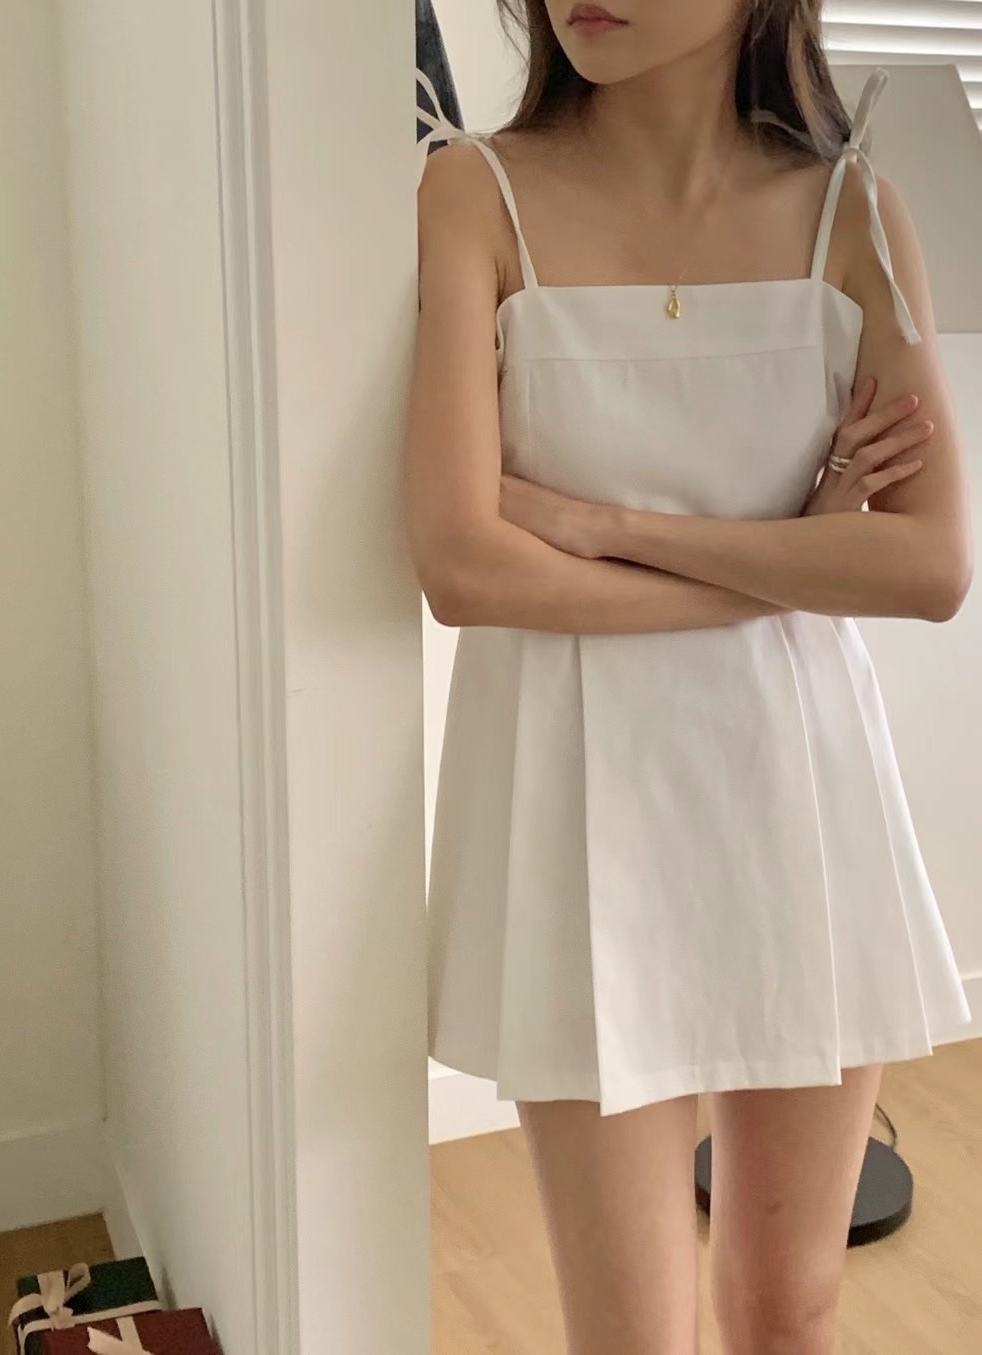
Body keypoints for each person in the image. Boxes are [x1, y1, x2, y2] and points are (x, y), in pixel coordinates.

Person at [408, 4, 974, 1352]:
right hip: (571, 805)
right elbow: (464, 566)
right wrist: (792, 559)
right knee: (631, 1333)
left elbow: (931, 564)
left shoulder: (855, 211)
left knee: (791, 1306)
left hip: (801, 792)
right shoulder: (473, 193)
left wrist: (602, 526)